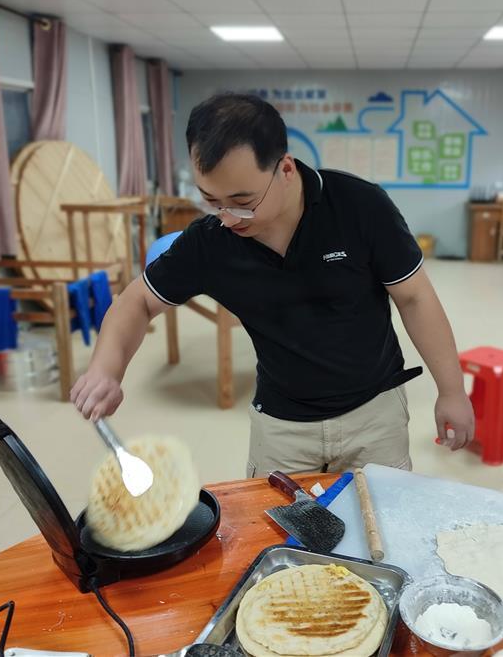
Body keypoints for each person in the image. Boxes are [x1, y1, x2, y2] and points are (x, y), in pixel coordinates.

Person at [71, 93, 474, 477]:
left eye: (242, 200)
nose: (228, 217)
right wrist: (106, 369)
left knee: (376, 538)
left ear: (284, 168)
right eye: (211, 200)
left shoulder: (359, 206)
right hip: (282, 426)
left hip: (374, 414)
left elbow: (415, 297)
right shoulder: (211, 241)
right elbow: (137, 300)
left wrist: (452, 390)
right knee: (278, 540)